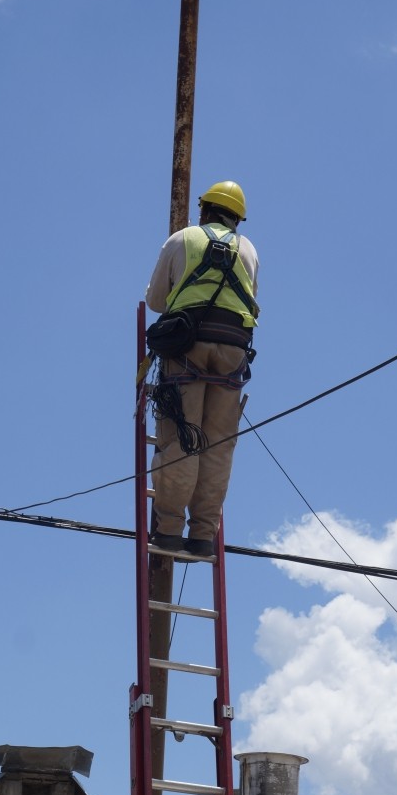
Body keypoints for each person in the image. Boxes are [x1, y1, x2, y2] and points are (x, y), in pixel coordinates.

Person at [145, 180, 259, 558]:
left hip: (187, 350)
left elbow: (157, 300)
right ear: (237, 218)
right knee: (218, 446)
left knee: (182, 438)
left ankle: (170, 532)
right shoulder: (250, 250)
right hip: (232, 354)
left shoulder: (183, 239)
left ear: (205, 209)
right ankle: (203, 535)